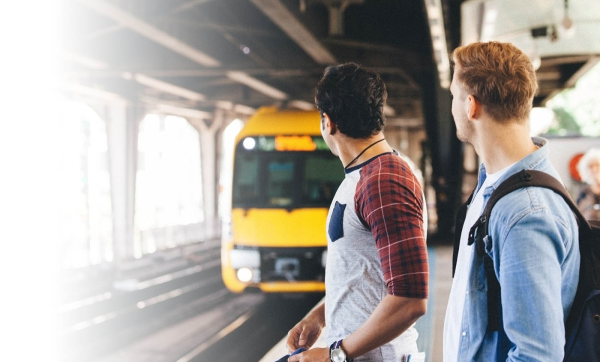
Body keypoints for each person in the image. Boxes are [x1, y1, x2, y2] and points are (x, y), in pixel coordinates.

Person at [443, 41, 580, 361]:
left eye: (453, 95)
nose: (452, 104)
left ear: (471, 106)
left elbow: (538, 354)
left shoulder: (525, 213)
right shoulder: (492, 187)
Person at [286, 63, 429, 362]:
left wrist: (335, 355)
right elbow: (364, 273)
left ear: (328, 122)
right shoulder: (364, 176)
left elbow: (410, 299)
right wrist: (319, 317)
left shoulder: (383, 180)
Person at [576, 148, 600, 220]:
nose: (594, 169)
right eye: (590, 166)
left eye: (597, 165)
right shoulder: (584, 192)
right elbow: (578, 214)